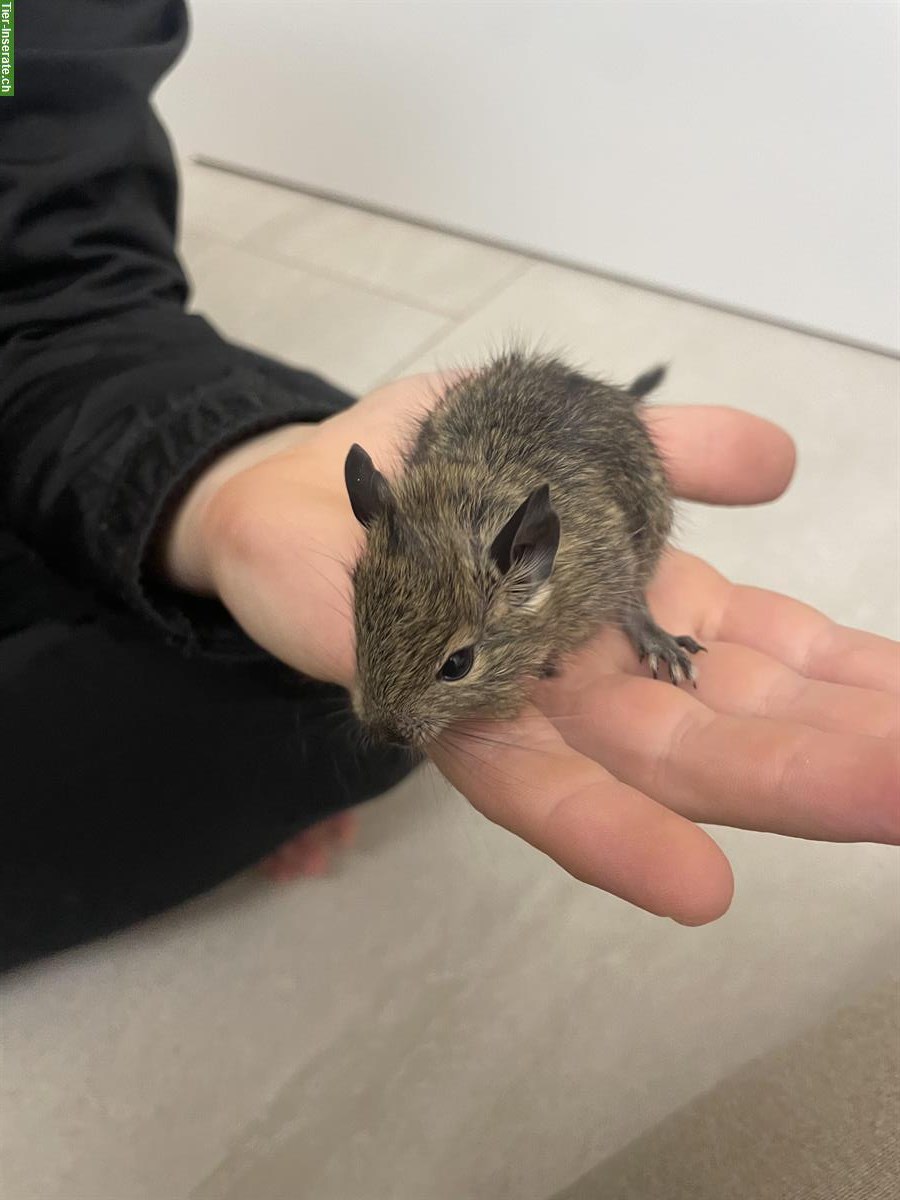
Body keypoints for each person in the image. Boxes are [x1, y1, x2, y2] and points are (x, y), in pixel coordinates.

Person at [1, 1, 897, 974]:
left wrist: (218, 485)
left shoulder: (559, 563)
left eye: (458, 659)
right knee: (287, 730)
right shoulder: (435, 550)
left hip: (51, 402)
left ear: (529, 568)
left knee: (295, 709)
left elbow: (54, 294)